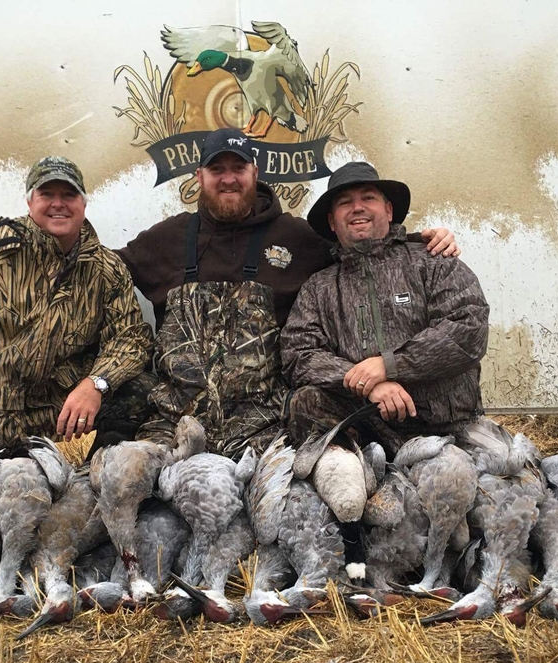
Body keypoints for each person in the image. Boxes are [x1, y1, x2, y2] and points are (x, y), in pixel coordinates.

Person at [116, 128, 458, 455]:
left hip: (266, 425)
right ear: (198, 176)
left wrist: (420, 241)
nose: (229, 178)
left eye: (239, 167)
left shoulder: (298, 236)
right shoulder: (167, 238)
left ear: (256, 171)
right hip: (177, 424)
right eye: (217, 169)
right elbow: (106, 272)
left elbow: (362, 249)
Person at [0, 157, 154, 455]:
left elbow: (130, 338)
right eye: (47, 194)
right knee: (1, 497)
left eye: (68, 195)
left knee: (143, 392)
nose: (59, 204)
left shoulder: (105, 268)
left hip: (63, 411)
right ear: (30, 202)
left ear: (83, 203)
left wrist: (96, 384)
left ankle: (98, 479)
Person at [280, 161, 490, 456]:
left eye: (368, 198)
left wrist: (388, 366)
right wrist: (367, 383)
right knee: (306, 401)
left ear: (388, 210)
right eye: (345, 203)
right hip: (365, 430)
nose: (357, 208)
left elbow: (468, 330)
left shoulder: (433, 261)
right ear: (331, 221)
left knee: (450, 486)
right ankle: (351, 472)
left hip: (446, 429)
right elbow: (298, 356)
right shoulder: (319, 287)